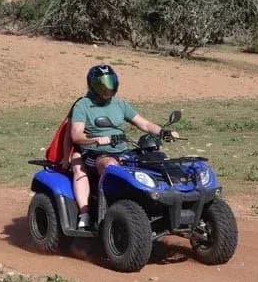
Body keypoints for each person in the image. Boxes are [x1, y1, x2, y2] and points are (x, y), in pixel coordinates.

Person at [68, 64, 179, 229]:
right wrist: (97, 139)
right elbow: (76, 135)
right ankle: (93, 214)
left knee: (156, 161)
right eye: (103, 83)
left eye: (111, 82)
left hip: (123, 150)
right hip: (96, 154)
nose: (108, 87)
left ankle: (161, 204)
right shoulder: (83, 105)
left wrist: (163, 132)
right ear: (94, 85)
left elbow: (145, 124)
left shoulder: (119, 104)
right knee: (111, 166)